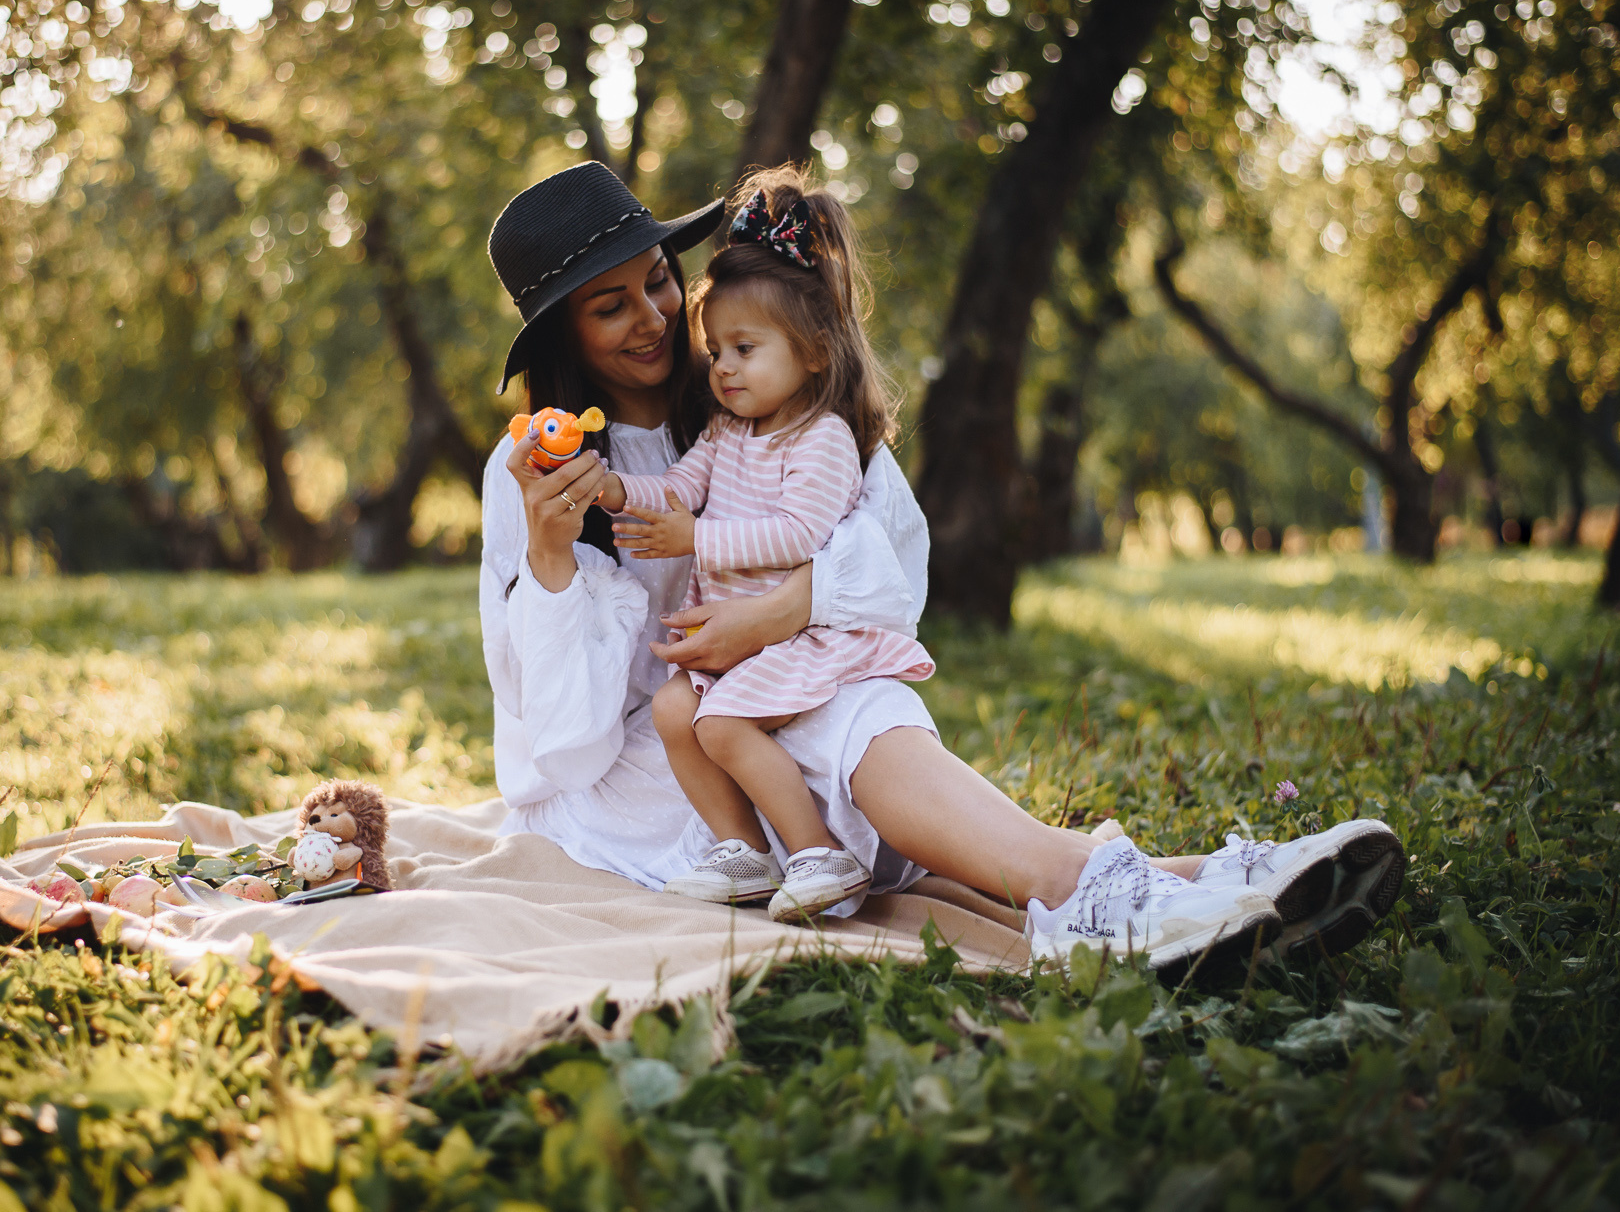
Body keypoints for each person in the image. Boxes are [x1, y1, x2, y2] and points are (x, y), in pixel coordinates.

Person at [478, 161, 1403, 980]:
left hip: (778, 684)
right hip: (658, 766)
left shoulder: (766, 398)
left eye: (658, 283)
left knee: (857, 701)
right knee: (810, 724)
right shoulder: (530, 474)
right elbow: (567, 746)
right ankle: (1156, 889)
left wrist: (773, 616)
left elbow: (895, 575)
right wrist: (553, 560)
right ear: (566, 334)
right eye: (613, 306)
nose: (655, 318)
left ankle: (1200, 885)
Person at [594, 168, 935, 923]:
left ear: (813, 352)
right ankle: (740, 847)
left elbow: (798, 537)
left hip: (793, 640)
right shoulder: (727, 432)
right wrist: (618, 491)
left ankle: (820, 852)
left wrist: (696, 540)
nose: (722, 367)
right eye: (716, 349)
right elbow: (678, 488)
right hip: (737, 642)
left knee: (719, 722)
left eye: (745, 348)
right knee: (676, 713)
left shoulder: (822, 440)